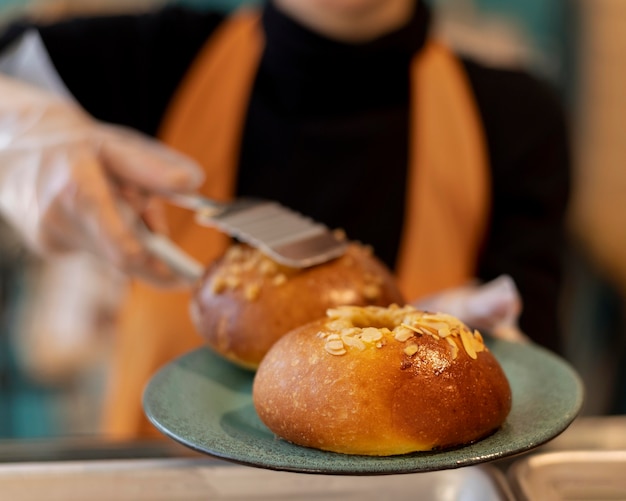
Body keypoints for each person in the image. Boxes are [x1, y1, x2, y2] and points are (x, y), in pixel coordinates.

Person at [0, 0, 571, 438]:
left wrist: (486, 345)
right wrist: (20, 135)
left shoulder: (516, 116)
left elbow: (536, 393)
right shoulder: (151, 60)